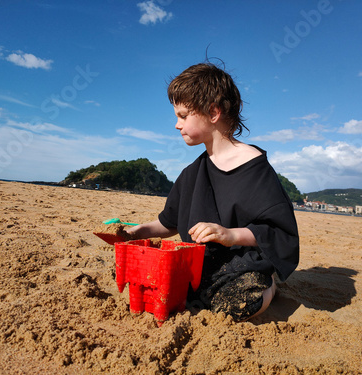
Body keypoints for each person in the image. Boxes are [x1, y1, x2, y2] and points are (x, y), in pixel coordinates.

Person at [127, 62, 299, 321]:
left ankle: (271, 287)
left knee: (239, 303)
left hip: (240, 264)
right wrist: (135, 232)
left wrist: (229, 234)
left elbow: (278, 231)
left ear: (214, 112)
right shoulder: (192, 173)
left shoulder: (255, 168)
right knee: (136, 276)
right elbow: (168, 223)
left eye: (183, 115)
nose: (177, 124)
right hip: (200, 265)